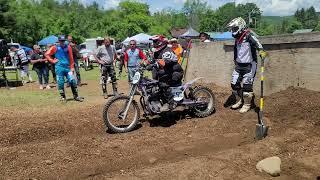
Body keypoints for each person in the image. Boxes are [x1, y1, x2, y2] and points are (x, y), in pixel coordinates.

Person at [226, 17, 267, 113]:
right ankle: (241, 100)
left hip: (249, 65)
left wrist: (261, 51)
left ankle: (248, 104)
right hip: (239, 65)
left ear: (241, 26)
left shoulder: (249, 36)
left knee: (247, 87)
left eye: (235, 28)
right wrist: (235, 60)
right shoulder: (237, 39)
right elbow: (236, 50)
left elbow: (258, 44)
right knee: (234, 84)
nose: (233, 31)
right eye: (232, 29)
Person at [147, 35, 184, 111]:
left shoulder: (167, 50)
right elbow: (153, 61)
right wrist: (144, 64)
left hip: (175, 72)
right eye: (153, 42)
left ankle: (172, 102)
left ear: (160, 42)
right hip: (167, 72)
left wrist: (154, 65)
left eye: (155, 42)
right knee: (154, 84)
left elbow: (165, 62)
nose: (153, 43)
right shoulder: (157, 52)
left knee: (162, 83)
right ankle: (162, 101)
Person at [45, 35, 84, 102]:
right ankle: (63, 97)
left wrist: (72, 67)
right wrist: (52, 61)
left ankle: (76, 96)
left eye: (63, 41)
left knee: (72, 81)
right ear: (59, 41)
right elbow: (47, 54)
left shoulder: (68, 47)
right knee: (60, 82)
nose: (62, 42)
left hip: (68, 67)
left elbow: (71, 58)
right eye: (61, 41)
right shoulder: (55, 47)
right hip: (59, 68)